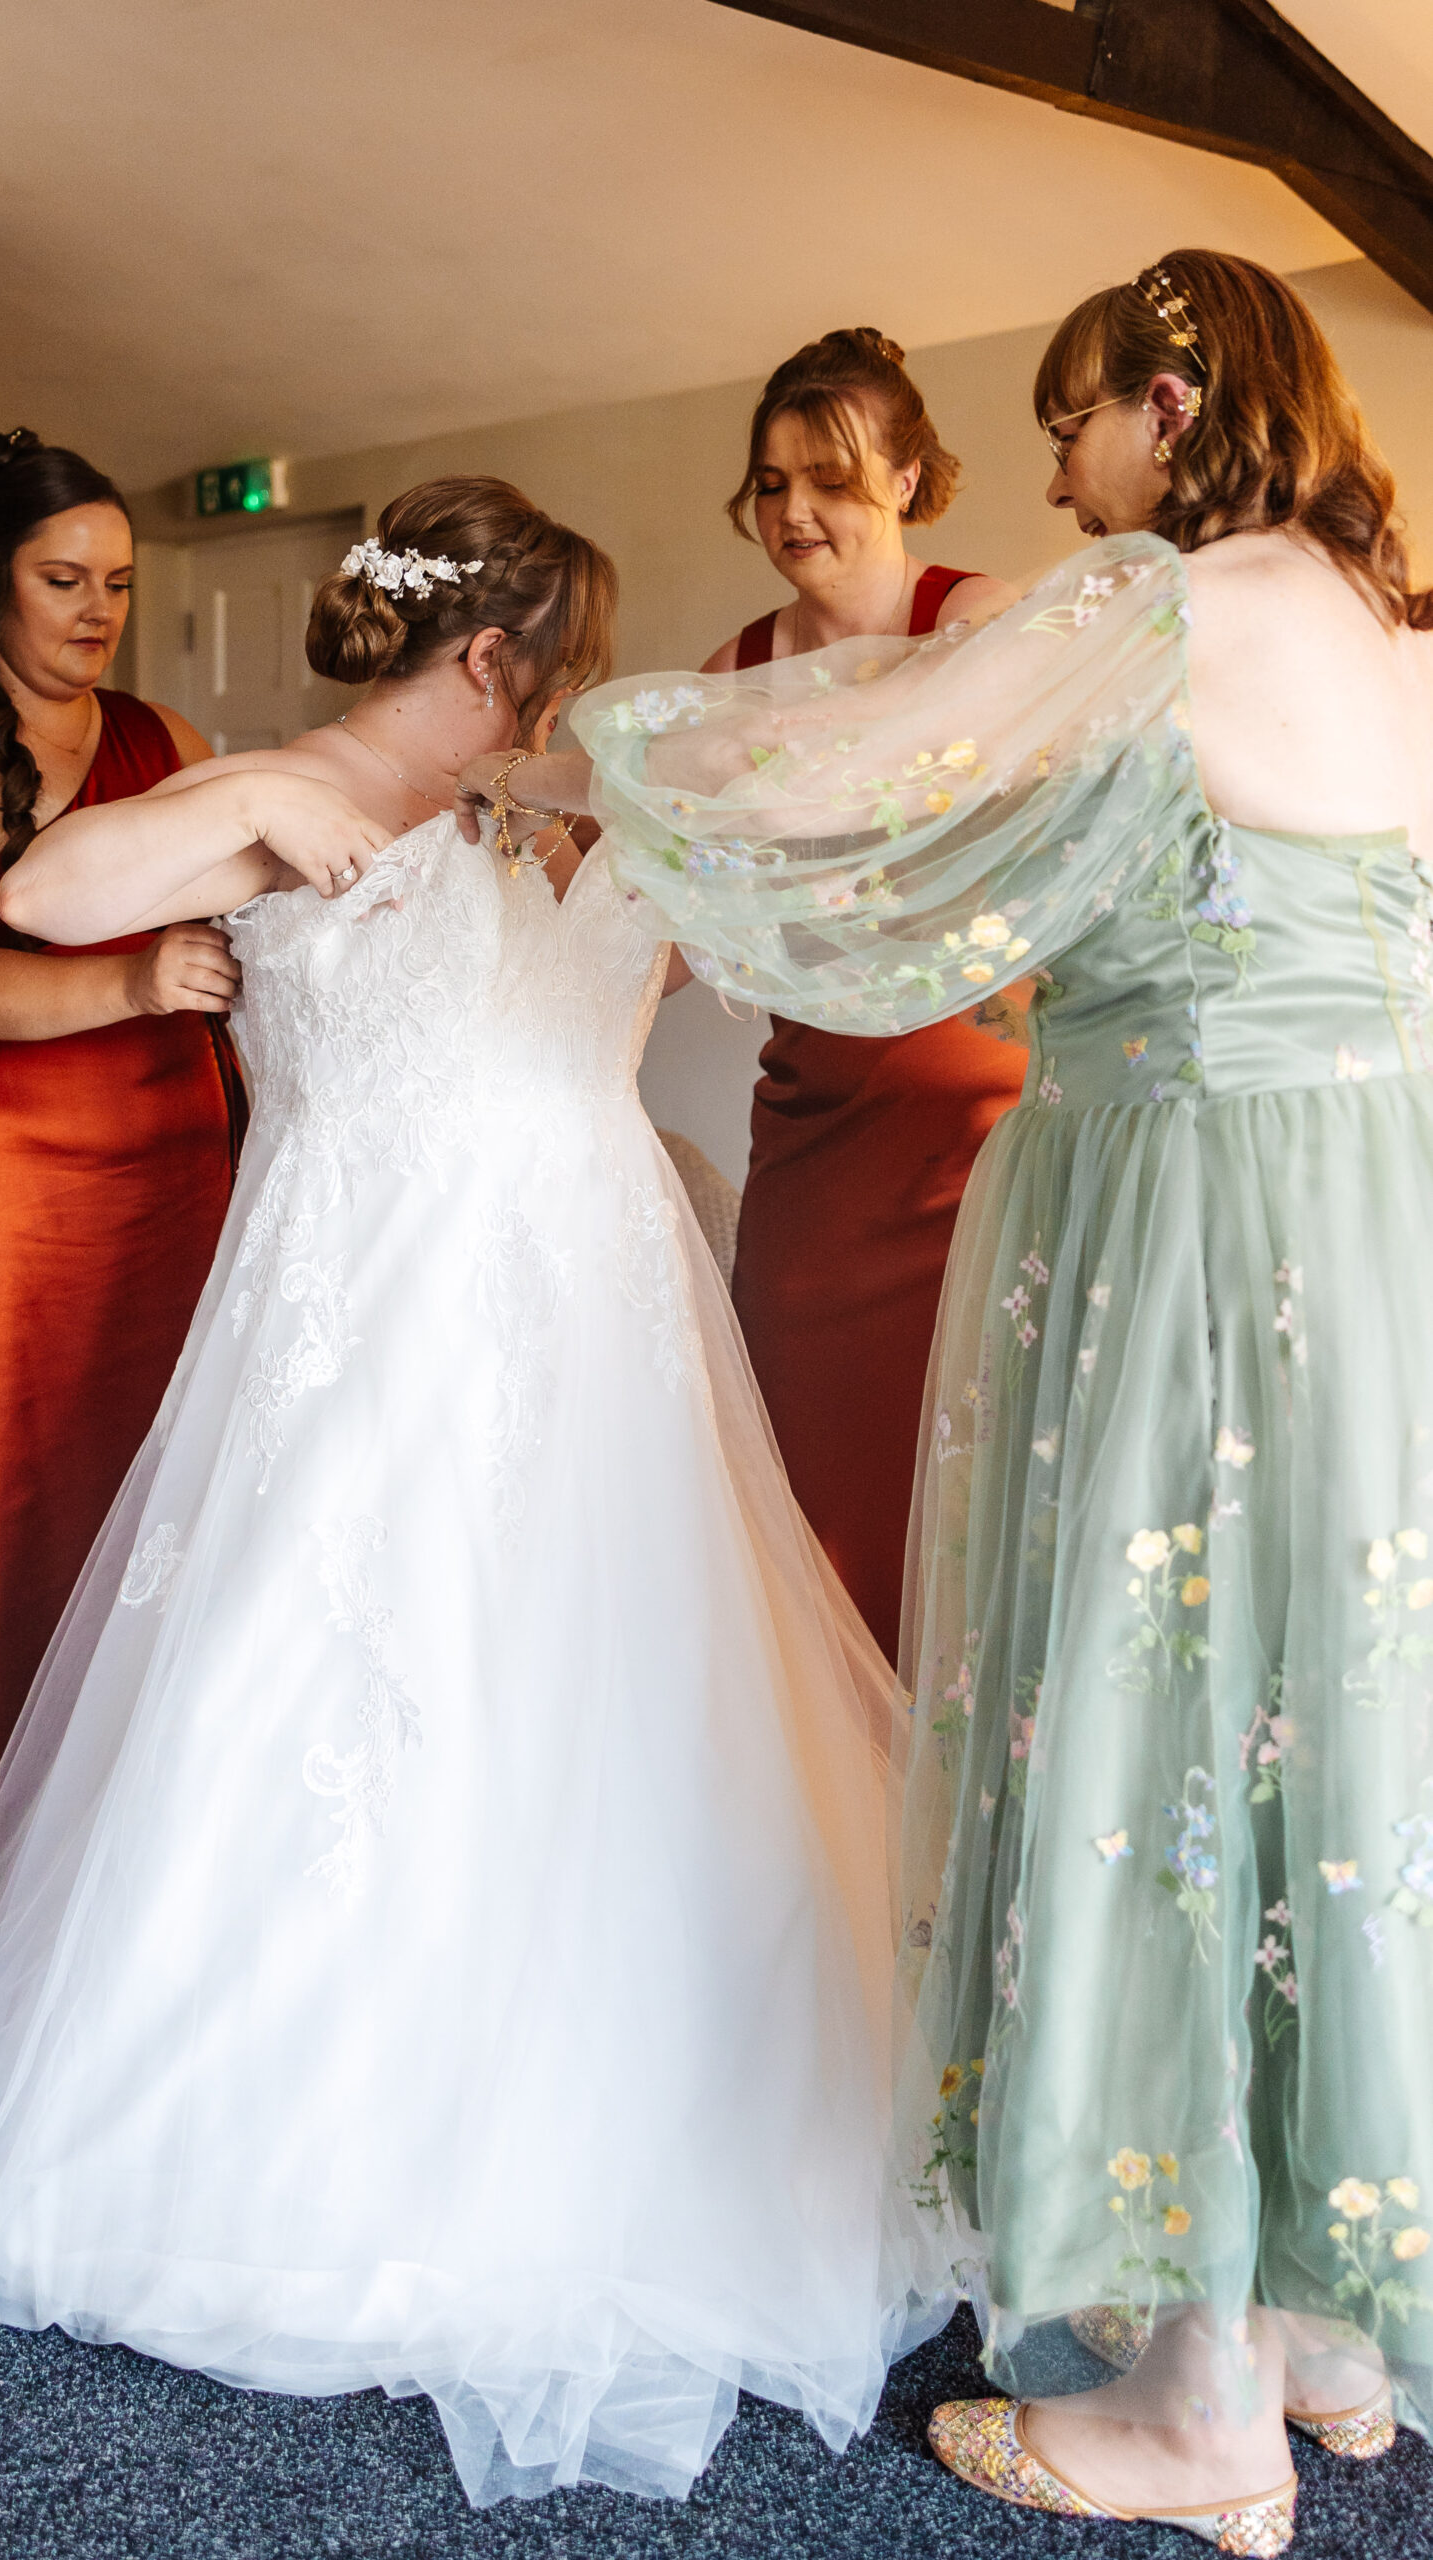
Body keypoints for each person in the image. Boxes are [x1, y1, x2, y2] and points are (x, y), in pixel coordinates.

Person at [0, 478, 938, 2507]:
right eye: (547, 667)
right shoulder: (268, 786)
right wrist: (263, 816)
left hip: (592, 1336)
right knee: (338, 1684)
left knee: (598, 1706)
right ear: (485, 655)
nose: (558, 696)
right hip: (357, 1322)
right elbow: (39, 900)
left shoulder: (569, 795)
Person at [460, 250, 1433, 2550]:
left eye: (1077, 417)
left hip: (1184, 1218)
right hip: (1356, 1220)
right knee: (1323, 1709)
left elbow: (849, 751)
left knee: (1174, 1716)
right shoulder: (1388, 639)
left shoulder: (1174, 595)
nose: (1062, 465)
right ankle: (1314, 2332)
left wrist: (572, 746)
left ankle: (1193, 2408)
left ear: (1171, 408)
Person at [0, 430, 366, 1937]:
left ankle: (154, 1850)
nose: (96, 610)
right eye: (63, 579)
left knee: (176, 1498)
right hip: (9, 1174)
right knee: (24, 1501)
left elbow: (258, 926)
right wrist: (136, 976)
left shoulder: (171, 738)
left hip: (175, 1160)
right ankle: (2, 1879)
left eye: (120, 584)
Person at [705, 329, 1023, 1655]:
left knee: (983, 1482)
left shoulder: (978, 619)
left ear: (907, 476)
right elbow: (685, 895)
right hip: (818, 1134)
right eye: (771, 483)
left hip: (981, 1133)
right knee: (812, 1473)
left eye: (827, 477)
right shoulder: (730, 670)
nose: (793, 513)